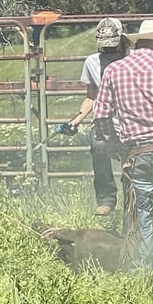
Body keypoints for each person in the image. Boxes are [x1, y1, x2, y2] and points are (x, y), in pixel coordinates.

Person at [94, 19, 153, 268]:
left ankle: (145, 264)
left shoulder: (114, 70)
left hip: (137, 150)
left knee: (142, 208)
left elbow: (101, 114)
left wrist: (111, 143)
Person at [65, 18, 128, 216]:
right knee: (98, 146)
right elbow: (91, 97)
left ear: (122, 39)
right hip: (105, 119)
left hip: (131, 118)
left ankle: (133, 200)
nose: (109, 52)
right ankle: (106, 198)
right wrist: (76, 120)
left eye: (112, 47)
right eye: (105, 48)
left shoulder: (133, 59)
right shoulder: (92, 62)